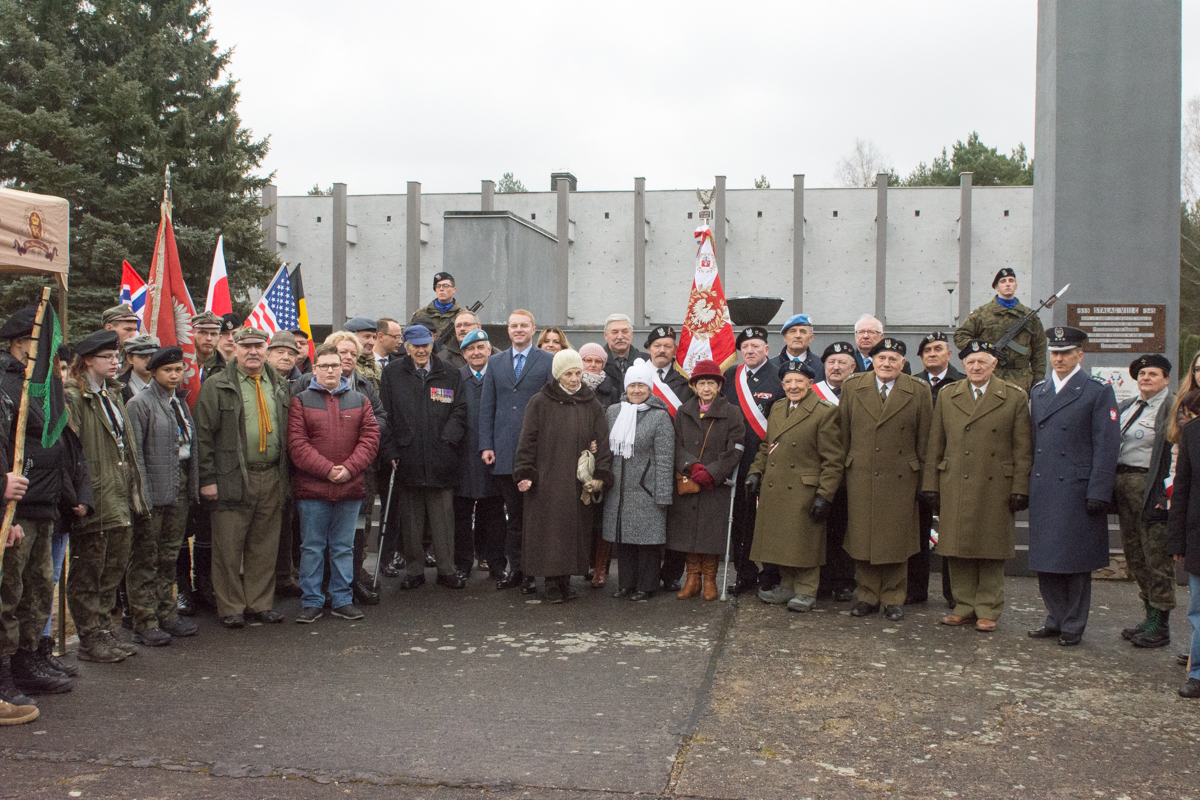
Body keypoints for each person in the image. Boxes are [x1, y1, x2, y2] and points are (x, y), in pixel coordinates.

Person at [0, 310, 90, 703]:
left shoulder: (40, 384)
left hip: (44, 501)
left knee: (37, 590)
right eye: (42, 343)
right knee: (11, 593)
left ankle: (28, 659)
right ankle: (7, 670)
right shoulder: (7, 383)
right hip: (18, 505)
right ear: (20, 342)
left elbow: (59, 443)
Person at [921, 341, 1032, 632]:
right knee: (957, 546)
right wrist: (931, 484)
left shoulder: (1013, 396)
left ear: (994, 364)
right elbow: (936, 443)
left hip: (996, 483)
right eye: (971, 362)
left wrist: (1020, 487)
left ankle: (988, 608)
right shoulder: (949, 394)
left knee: (991, 547)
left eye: (983, 361)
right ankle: (963, 605)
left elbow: (1022, 448)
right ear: (963, 365)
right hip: (955, 479)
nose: (976, 367)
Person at [1027, 326, 1120, 646]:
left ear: (1080, 355)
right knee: (1046, 559)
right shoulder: (1039, 391)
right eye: (1054, 353)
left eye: (1066, 353)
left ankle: (1073, 624)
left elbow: (1107, 444)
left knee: (1075, 561)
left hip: (1077, 489)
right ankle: (1054, 617)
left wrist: (1099, 490)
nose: (1059, 359)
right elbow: (1034, 441)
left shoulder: (1097, 391)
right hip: (1045, 484)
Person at [193, 326, 291, 629]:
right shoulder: (217, 385)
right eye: (246, 346)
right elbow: (203, 436)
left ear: (266, 350)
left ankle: (259, 603)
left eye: (258, 346)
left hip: (271, 474)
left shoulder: (279, 384)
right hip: (231, 477)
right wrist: (207, 479)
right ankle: (231, 607)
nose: (253, 351)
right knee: (228, 546)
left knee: (265, 545)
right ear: (235, 348)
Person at [65, 329, 149, 661]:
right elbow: (69, 450)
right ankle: (89, 637)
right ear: (87, 361)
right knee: (89, 570)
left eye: (116, 356)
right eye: (107, 357)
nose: (115, 362)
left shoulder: (112, 394)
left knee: (113, 567)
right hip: (95, 494)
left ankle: (103, 630)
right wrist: (78, 494)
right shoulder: (74, 396)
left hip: (120, 492)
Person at [840, 337, 933, 621]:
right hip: (861, 473)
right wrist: (843, 473)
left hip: (901, 476)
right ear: (872, 361)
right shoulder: (853, 386)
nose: (887, 363)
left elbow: (925, 440)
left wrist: (925, 481)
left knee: (896, 539)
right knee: (863, 537)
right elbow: (843, 432)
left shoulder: (918, 390)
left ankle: (893, 598)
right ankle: (867, 596)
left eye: (893, 359)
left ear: (903, 364)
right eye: (881, 358)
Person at [288, 344, 380, 623]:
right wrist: (327, 470)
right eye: (324, 365)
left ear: (342, 368)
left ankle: (342, 599)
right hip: (312, 490)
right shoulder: (300, 401)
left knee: (344, 547)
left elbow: (370, 439)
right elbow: (297, 444)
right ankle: (312, 601)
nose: (330, 370)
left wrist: (349, 469)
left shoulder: (360, 400)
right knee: (312, 547)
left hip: (350, 487)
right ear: (314, 369)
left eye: (335, 365)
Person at [513, 349, 614, 603]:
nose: (574, 379)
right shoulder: (540, 401)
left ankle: (566, 581)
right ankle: (550, 583)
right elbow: (527, 440)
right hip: (547, 478)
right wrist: (525, 471)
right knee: (549, 532)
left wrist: (601, 475)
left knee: (574, 532)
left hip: (578, 480)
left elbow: (603, 441)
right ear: (558, 375)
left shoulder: (591, 403)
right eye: (568, 374)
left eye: (578, 373)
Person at [745, 360, 843, 612]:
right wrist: (755, 472)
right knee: (783, 541)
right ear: (782, 385)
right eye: (788, 381)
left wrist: (824, 495)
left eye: (799, 381)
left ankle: (806, 591)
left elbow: (833, 461)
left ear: (810, 383)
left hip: (804, 490)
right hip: (776, 486)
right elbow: (767, 445)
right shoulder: (778, 408)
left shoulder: (824, 411)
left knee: (805, 542)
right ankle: (787, 586)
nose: (793, 386)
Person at [380, 324, 467, 591]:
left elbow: (460, 410)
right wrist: (391, 451)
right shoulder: (392, 373)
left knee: (443, 521)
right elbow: (385, 415)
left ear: (432, 344)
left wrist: (448, 440)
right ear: (407, 347)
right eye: (415, 346)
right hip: (407, 458)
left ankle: (447, 570)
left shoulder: (449, 372)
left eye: (425, 345)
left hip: (442, 458)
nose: (421, 350)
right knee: (411, 522)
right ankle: (414, 571)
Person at [125, 346, 200, 646]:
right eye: (167, 370)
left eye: (178, 370)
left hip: (178, 483)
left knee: (170, 555)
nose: (174, 375)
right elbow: (135, 455)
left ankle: (166, 614)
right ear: (154, 372)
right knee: (146, 557)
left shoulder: (178, 402)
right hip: (153, 489)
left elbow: (189, 447)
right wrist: (142, 494)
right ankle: (144, 620)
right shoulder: (139, 404)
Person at [481, 310, 555, 593]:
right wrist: (486, 444)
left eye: (524, 325)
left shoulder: (547, 361)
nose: (519, 329)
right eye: (514, 326)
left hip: (537, 454)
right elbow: (487, 406)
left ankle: (535, 571)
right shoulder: (495, 362)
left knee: (535, 517)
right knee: (514, 517)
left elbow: (552, 405)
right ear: (508, 330)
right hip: (504, 451)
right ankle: (517, 570)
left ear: (533, 329)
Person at [667, 359, 746, 601]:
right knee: (688, 531)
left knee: (711, 533)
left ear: (719, 386)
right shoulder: (683, 411)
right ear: (694, 386)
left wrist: (712, 471)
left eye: (711, 383)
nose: (706, 388)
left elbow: (736, 448)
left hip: (715, 484)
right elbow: (676, 445)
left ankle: (710, 580)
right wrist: (691, 466)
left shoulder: (732, 412)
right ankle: (692, 579)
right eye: (701, 383)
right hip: (689, 480)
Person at [1113, 354, 1175, 649]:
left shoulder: (1171, 408)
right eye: (1142, 374)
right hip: (1125, 486)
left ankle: (1160, 624)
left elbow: (1176, 454)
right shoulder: (1128, 406)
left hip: (1151, 488)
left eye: (1153, 374)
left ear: (1166, 379)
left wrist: (1167, 493)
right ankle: (1149, 614)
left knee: (1156, 557)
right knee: (1135, 554)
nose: (1146, 378)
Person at [603, 359, 674, 601]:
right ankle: (626, 584)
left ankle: (646, 585)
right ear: (626, 387)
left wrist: (662, 493)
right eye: (632, 385)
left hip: (646, 488)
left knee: (647, 542)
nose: (636, 390)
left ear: (649, 388)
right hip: (619, 489)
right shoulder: (614, 412)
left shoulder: (660, 416)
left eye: (641, 386)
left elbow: (665, 458)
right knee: (623, 540)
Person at [324, 331, 386, 604]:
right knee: (325, 532)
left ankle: (353, 579)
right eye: (342, 352)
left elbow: (380, 417)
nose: (348, 357)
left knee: (358, 528)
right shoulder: (308, 383)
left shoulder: (364, 385)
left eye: (353, 353)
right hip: (324, 470)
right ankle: (326, 584)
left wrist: (359, 436)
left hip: (360, 469)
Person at [723, 326, 784, 594]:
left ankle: (770, 574)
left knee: (768, 521)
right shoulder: (730, 376)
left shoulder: (779, 376)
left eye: (755, 346)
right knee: (740, 520)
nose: (750, 351)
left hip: (769, 460)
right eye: (745, 347)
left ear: (766, 349)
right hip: (737, 460)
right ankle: (744, 573)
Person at [909, 331, 966, 606]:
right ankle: (915, 589)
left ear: (949, 354)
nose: (932, 354)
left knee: (952, 531)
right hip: (919, 468)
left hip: (952, 466)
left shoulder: (962, 383)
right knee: (917, 530)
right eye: (927, 350)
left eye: (938, 349)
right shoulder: (911, 384)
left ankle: (954, 592)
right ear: (920, 357)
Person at [642, 325, 693, 591]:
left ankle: (672, 573)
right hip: (643, 459)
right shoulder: (638, 377)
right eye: (657, 345)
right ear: (648, 349)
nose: (662, 350)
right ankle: (648, 574)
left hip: (676, 457)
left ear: (675, 351)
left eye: (668, 346)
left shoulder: (686, 382)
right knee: (648, 517)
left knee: (677, 519)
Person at [454, 329, 506, 579]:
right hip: (462, 458)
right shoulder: (455, 378)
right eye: (470, 349)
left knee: (494, 513)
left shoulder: (499, 376)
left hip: (493, 455)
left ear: (489, 350)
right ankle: (462, 564)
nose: (476, 352)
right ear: (464, 354)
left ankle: (497, 564)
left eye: (480, 347)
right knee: (461, 515)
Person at [954, 267, 1048, 392]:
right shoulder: (982, 313)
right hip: (989, 376)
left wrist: (1038, 381)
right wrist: (984, 348)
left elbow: (1039, 350)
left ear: (1016, 285)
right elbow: (960, 336)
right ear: (996, 287)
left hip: (1020, 379)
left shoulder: (1029, 316)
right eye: (1003, 281)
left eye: (1011, 280)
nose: (1007, 284)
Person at [813, 342, 858, 602]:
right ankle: (821, 580)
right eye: (831, 362)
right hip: (821, 472)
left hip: (853, 473)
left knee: (847, 529)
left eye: (842, 362)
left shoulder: (860, 393)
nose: (836, 367)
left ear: (853, 367)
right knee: (820, 529)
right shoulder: (813, 393)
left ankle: (844, 581)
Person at [1166, 405, 1200, 699]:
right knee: (1198, 610)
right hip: (1198, 536)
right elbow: (1182, 487)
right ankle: (1198, 673)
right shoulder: (1193, 431)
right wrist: (1177, 539)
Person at [775, 314, 825, 383]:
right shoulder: (772, 366)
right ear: (785, 337)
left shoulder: (822, 366)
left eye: (803, 332)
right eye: (793, 331)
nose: (798, 336)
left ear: (811, 338)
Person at [411, 271, 463, 337]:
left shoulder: (462, 315)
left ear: (454, 289)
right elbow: (408, 335)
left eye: (445, 286)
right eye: (438, 286)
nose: (441, 289)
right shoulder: (421, 314)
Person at [602, 314, 646, 384]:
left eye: (625, 332)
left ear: (631, 334)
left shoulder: (647, 361)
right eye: (615, 332)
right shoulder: (596, 362)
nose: (620, 337)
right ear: (605, 335)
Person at [117, 334, 159, 401]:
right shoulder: (117, 387)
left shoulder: (167, 382)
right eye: (142, 356)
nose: (149, 360)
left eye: (153, 355)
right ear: (130, 359)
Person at [343, 317, 381, 389]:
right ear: (352, 338)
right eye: (367, 337)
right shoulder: (345, 364)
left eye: (374, 337)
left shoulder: (377, 367)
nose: (372, 342)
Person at [580, 342, 620, 409]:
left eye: (598, 361)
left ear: (603, 365)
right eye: (589, 360)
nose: (593, 365)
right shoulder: (572, 386)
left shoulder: (613, 392)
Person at [190, 311, 225, 382]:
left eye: (213, 334)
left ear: (219, 338)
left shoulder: (229, 371)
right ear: (192, 335)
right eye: (203, 333)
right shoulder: (182, 367)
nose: (208, 338)